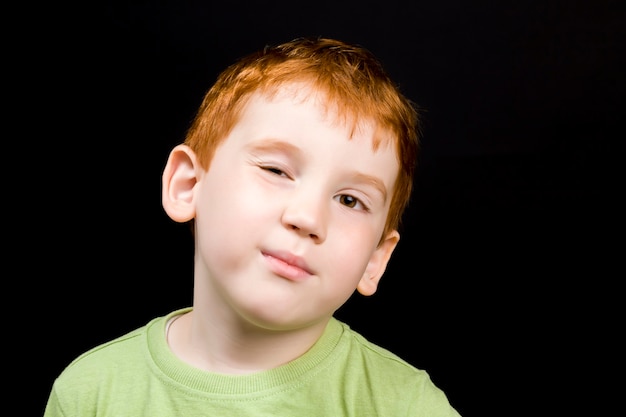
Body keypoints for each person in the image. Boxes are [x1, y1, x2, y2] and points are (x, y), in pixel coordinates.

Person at [44, 36, 461, 416]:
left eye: (350, 200)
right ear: (188, 186)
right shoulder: (90, 394)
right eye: (277, 170)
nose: (307, 218)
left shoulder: (406, 406)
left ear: (376, 259)